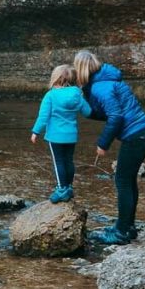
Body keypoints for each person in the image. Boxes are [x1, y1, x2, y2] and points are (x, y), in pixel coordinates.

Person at [74, 50, 145, 245]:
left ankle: (120, 233)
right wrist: (85, 110)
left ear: (81, 68)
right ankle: (128, 227)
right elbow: (108, 113)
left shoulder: (100, 87)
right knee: (128, 182)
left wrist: (103, 144)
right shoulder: (109, 81)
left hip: (136, 136)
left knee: (123, 182)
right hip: (143, 133)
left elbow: (116, 117)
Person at [31, 64, 92, 203]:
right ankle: (69, 187)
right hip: (71, 135)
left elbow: (43, 116)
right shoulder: (77, 94)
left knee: (58, 162)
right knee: (69, 161)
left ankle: (61, 189)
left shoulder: (51, 95)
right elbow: (88, 112)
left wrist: (35, 131)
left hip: (55, 136)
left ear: (55, 78)